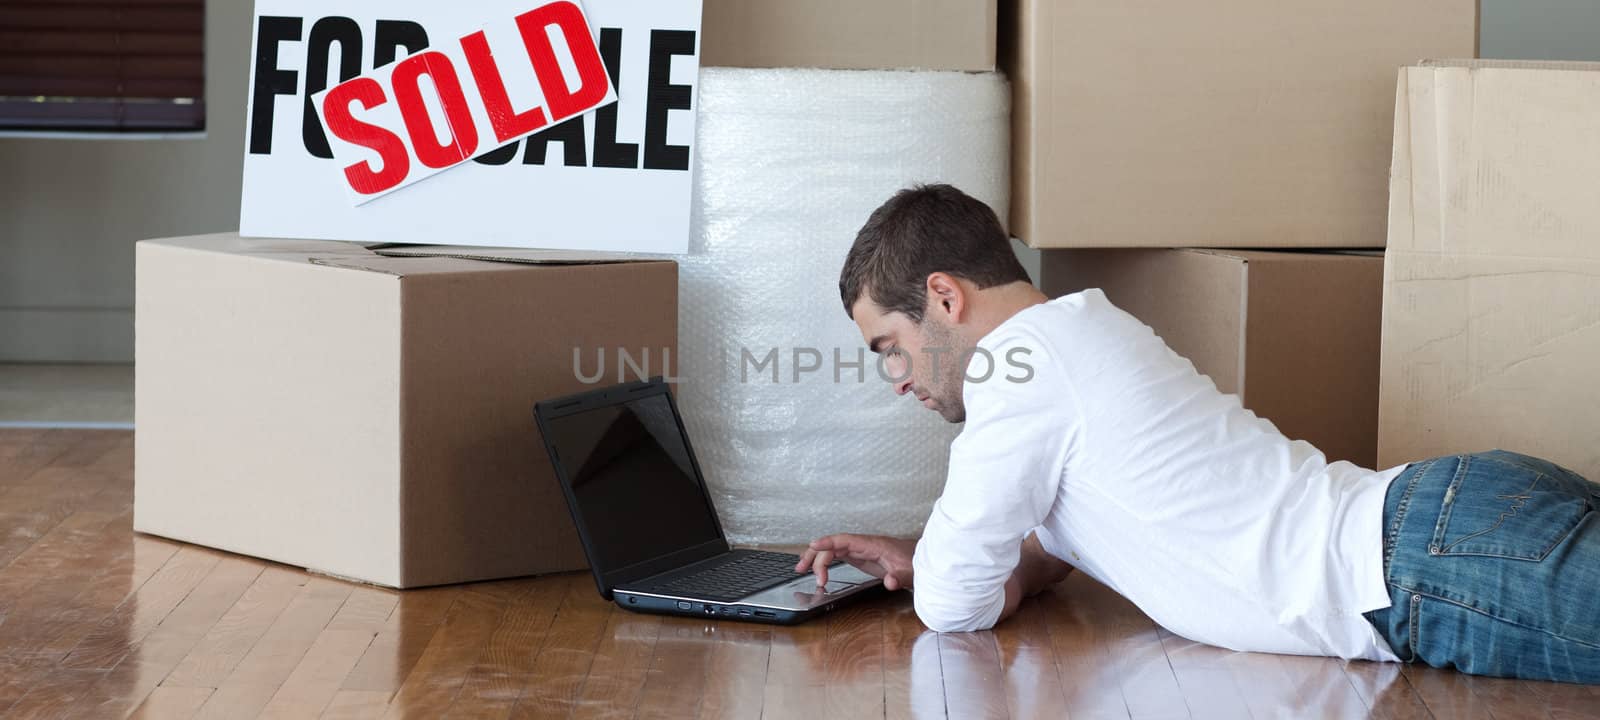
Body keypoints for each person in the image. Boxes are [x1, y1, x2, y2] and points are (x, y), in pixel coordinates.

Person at [794, 183, 1600, 684]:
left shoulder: (1021, 370)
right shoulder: (1078, 334)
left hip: (1422, 567)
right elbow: (1043, 555)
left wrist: (935, 564)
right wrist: (940, 553)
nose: (897, 378)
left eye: (889, 347)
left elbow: (951, 604)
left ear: (943, 297)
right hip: (1444, 527)